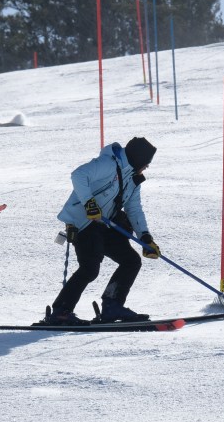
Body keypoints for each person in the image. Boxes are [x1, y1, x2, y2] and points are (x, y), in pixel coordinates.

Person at [43, 137, 161, 324]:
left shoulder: (132, 178)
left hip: (105, 224)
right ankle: (60, 311)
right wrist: (89, 203)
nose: (146, 167)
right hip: (83, 223)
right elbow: (78, 175)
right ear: (138, 158)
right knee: (90, 268)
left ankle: (112, 306)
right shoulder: (108, 164)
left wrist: (145, 237)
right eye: (146, 163)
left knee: (131, 261)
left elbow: (134, 209)